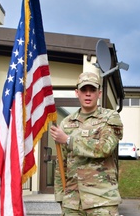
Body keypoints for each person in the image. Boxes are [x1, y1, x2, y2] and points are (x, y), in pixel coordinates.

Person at [50, 71, 123, 216]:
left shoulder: (110, 117)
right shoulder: (66, 123)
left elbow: (104, 148)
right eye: (84, 90)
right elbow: (61, 162)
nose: (88, 94)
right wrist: (60, 197)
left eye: (92, 90)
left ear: (99, 93)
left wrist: (69, 140)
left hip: (102, 200)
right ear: (77, 93)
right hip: (72, 202)